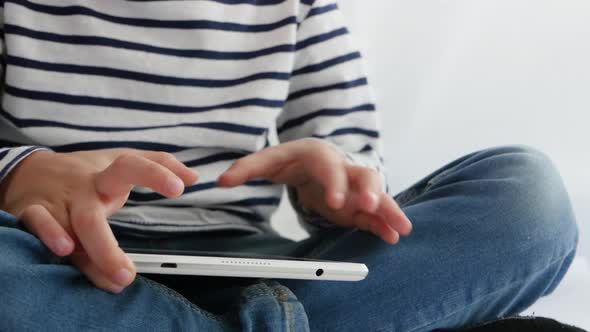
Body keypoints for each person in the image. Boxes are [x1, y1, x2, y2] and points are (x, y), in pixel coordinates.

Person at [0, 0, 578, 331]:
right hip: (68, 262)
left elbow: (353, 161)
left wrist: (335, 187)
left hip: (272, 266)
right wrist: (20, 171)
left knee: (528, 198)